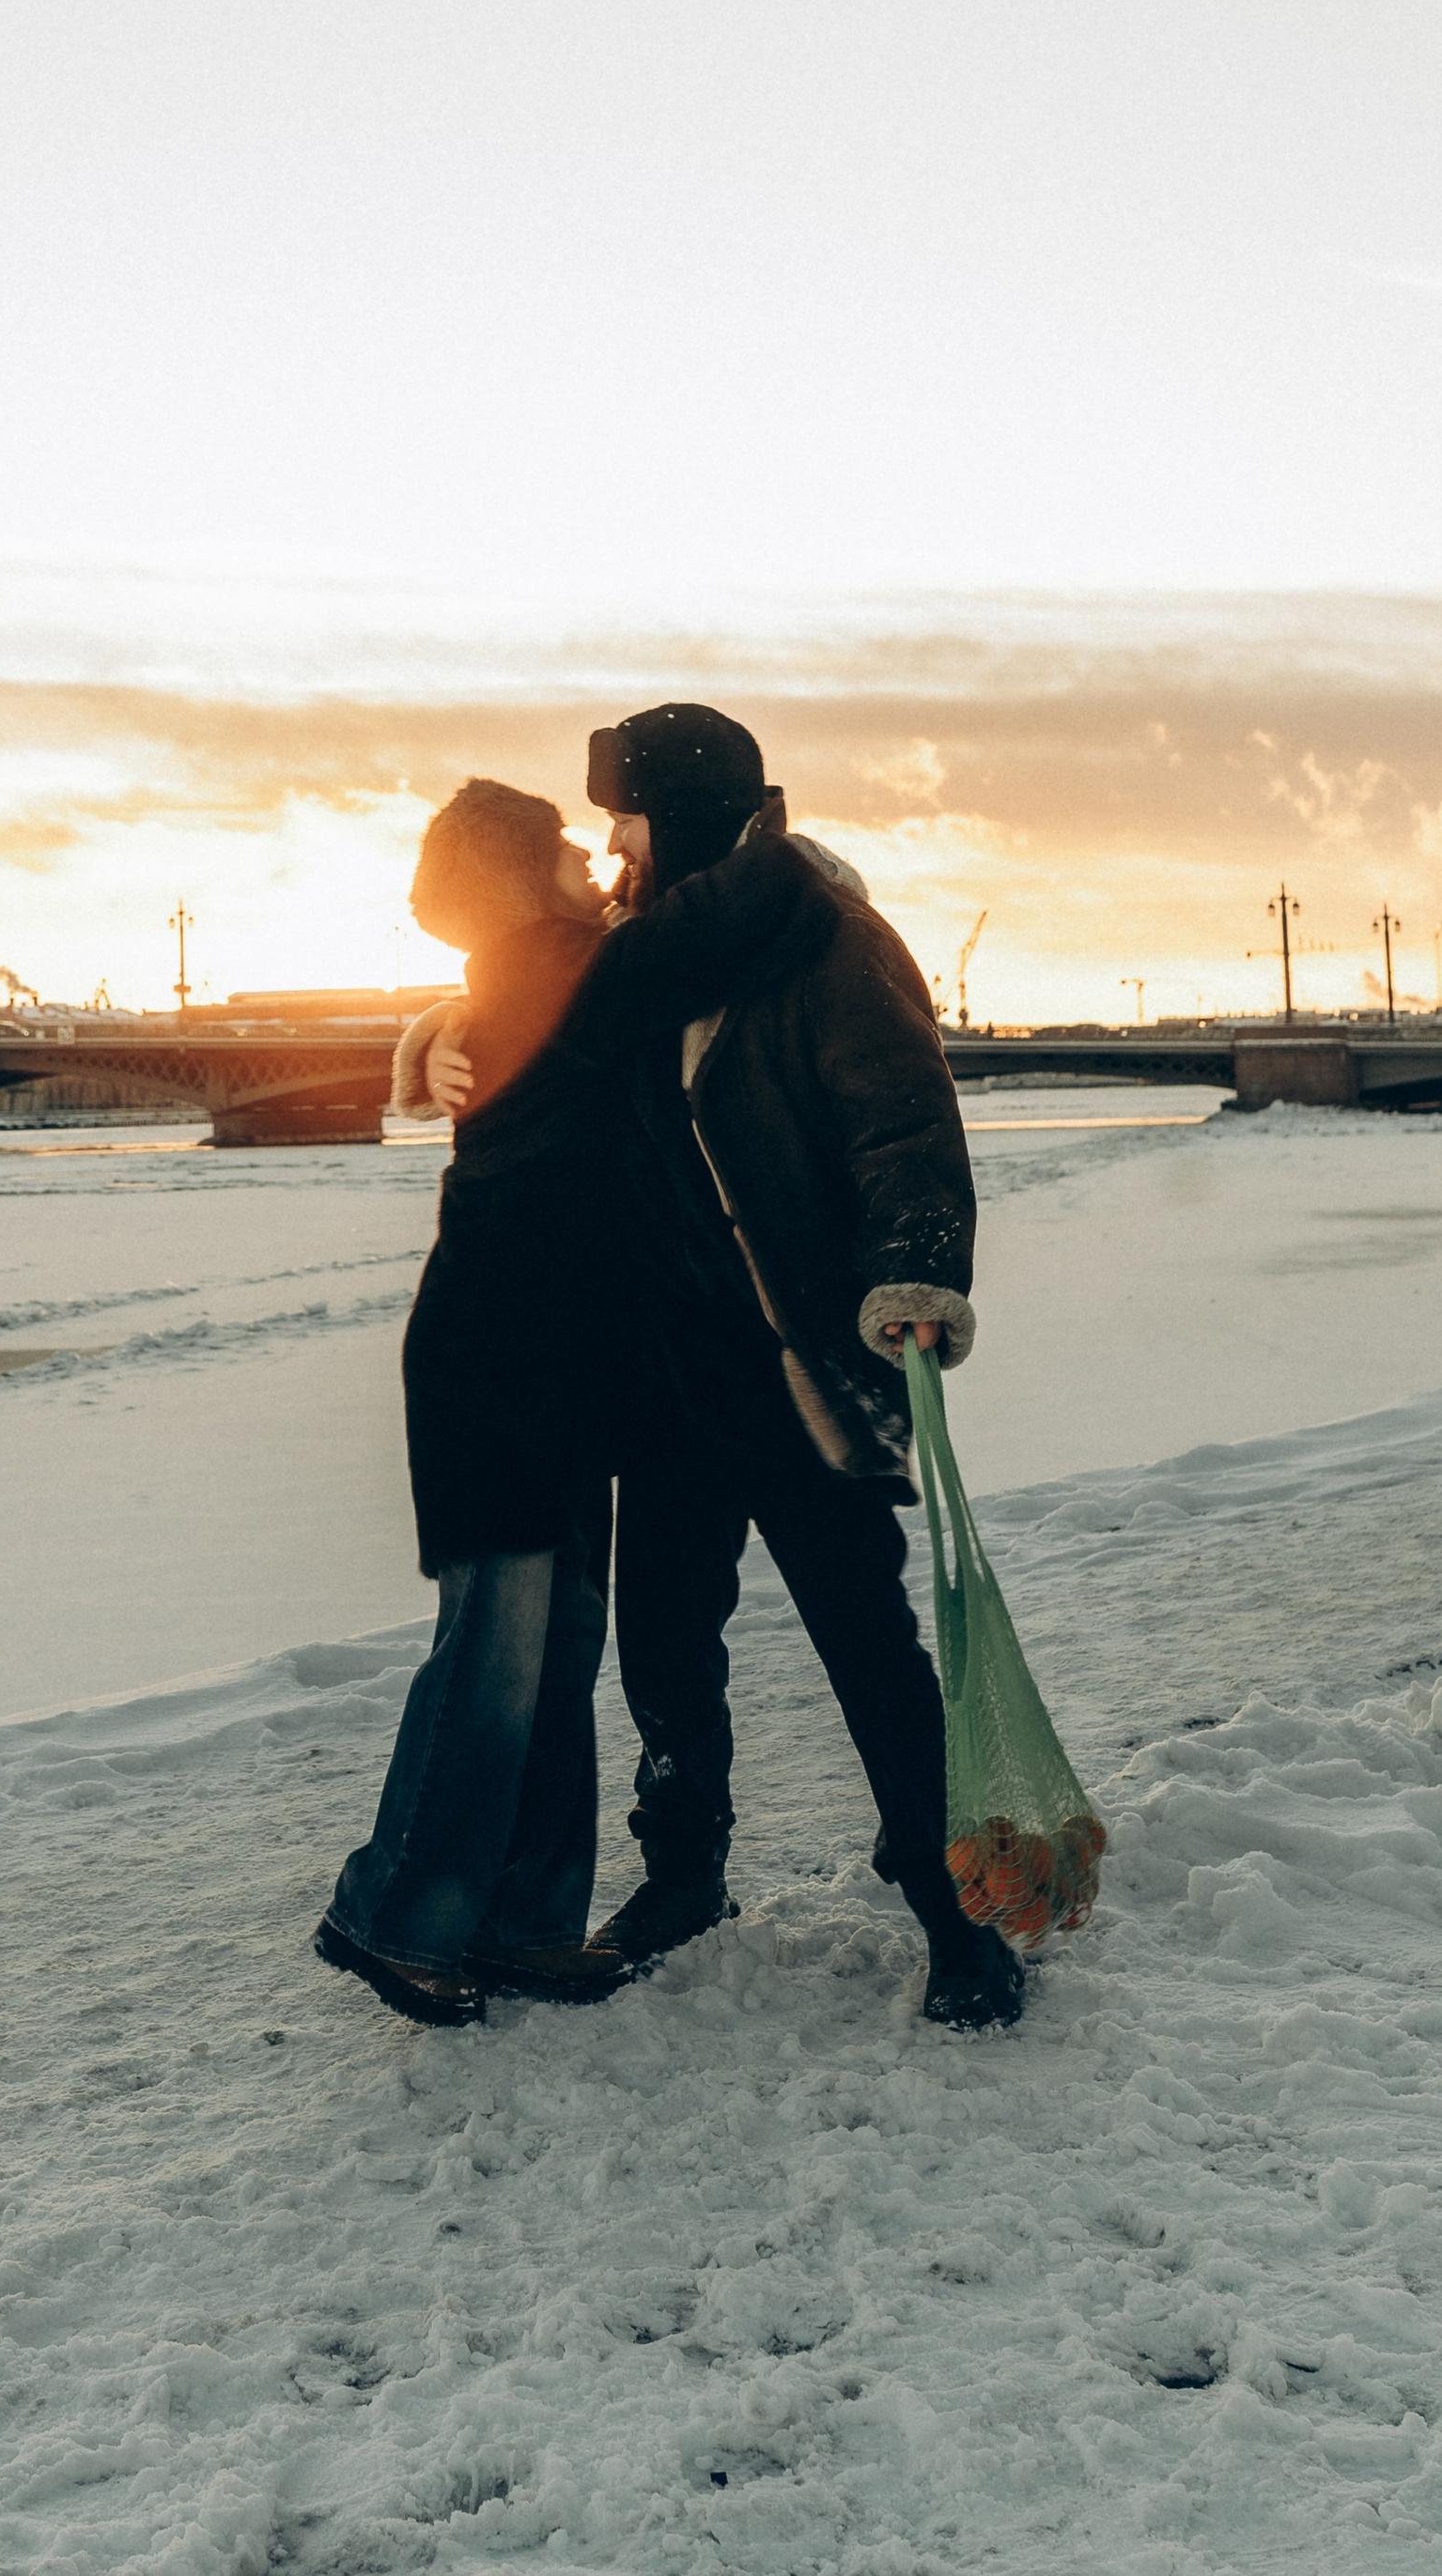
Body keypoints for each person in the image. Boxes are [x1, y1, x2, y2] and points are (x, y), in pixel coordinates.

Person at [425, 706, 1023, 2032]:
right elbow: (534, 1001)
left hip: (796, 1369)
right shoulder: (643, 946)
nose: (607, 845)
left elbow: (904, 1125)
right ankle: (683, 1870)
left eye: (621, 818)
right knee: (665, 1645)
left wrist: (914, 1274)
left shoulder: (825, 939)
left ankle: (955, 1911)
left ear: (679, 813)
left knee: (868, 1647)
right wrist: (437, 1038)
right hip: (668, 1374)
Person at [316, 777, 837, 2028]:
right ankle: (394, 1915)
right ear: (513, 882)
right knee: (496, 1654)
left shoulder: (534, 973)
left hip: (559, 1370)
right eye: (563, 848)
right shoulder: (560, 970)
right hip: (498, 1372)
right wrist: (753, 828)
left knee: (557, 1653)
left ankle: (528, 1922)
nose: (590, 863)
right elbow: (723, 913)